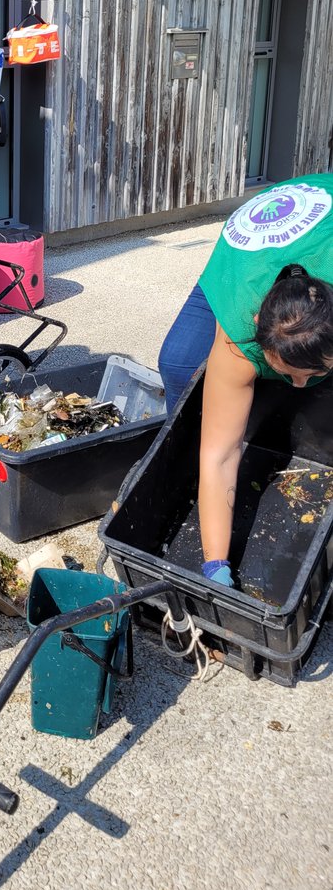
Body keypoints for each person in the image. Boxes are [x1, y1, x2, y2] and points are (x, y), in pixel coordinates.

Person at [158, 174, 333, 587]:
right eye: (288, 373)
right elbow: (222, 456)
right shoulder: (240, 322)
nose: (301, 385)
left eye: (316, 373)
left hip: (319, 225)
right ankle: (185, 476)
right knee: (179, 362)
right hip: (244, 256)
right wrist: (215, 567)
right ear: (257, 328)